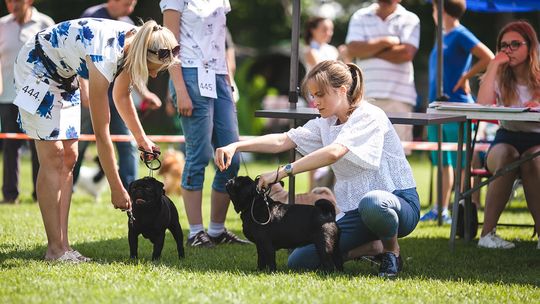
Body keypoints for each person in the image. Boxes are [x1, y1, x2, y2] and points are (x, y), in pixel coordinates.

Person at [215, 60, 421, 277]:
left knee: (373, 202)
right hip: (356, 212)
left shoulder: (369, 115)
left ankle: (391, 251)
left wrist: (281, 172)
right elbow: (283, 140)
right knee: (299, 261)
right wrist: (236, 145)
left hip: (397, 203)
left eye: (320, 95)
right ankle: (372, 248)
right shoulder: (326, 122)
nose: (315, 102)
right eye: (313, 95)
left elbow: (334, 152)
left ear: (341, 90)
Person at [13, 18, 178, 261]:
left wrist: (142, 140)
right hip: (37, 68)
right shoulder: (106, 56)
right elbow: (102, 134)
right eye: (153, 67)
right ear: (144, 54)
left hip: (65, 74)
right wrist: (116, 188)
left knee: (69, 157)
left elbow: (122, 98)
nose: (153, 75)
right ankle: (55, 250)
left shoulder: (133, 43)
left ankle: (64, 247)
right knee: (54, 155)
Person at [161, 0, 249, 247]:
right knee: (198, 155)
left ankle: (217, 231)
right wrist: (180, 89)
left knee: (231, 158)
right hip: (189, 73)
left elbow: (220, 41)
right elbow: (169, 47)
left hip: (219, 77)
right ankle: (195, 232)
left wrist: (229, 83)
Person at [73, 0, 161, 190]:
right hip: (92, 92)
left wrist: (145, 93)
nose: (130, 8)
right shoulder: (92, 14)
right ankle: (69, 185)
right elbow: (80, 54)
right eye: (127, 3)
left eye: (133, 4)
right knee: (79, 145)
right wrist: (84, 88)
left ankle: (132, 189)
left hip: (117, 95)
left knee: (128, 144)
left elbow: (132, 67)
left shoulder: (128, 23)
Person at [421, 0, 494, 223]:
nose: (433, 12)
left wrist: (465, 77)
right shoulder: (442, 36)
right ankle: (440, 209)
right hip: (437, 108)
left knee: (462, 164)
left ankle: (464, 212)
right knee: (442, 162)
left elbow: (488, 56)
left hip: (456, 106)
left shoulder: (461, 33)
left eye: (434, 8)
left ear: (441, 10)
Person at [476, 20, 540, 249]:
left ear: (530, 46)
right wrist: (493, 64)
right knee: (507, 157)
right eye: (504, 46)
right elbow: (482, 106)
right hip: (506, 138)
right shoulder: (500, 75)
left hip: (537, 141)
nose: (508, 50)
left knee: (533, 161)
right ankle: (486, 235)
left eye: (515, 44)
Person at [344, 0, 420, 148]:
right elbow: (353, 49)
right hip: (364, 97)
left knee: (397, 153)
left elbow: (406, 53)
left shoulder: (410, 18)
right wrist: (386, 42)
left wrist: (368, 50)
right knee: (363, 151)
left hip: (399, 98)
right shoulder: (360, 16)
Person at [0, 0, 53, 204]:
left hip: (36, 93)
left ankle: (40, 195)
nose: (13, 4)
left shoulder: (44, 23)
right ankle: (9, 195)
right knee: (10, 146)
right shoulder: (2, 24)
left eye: (18, 0)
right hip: (7, 96)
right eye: (9, 0)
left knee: (38, 144)